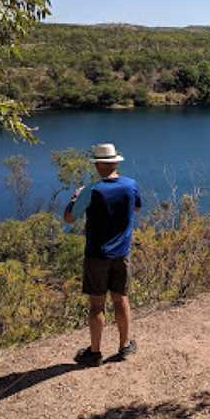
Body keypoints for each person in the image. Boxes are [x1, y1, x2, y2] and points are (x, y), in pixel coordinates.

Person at [64, 143, 141, 366]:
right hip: (121, 254)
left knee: (97, 305)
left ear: (97, 165)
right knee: (121, 299)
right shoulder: (130, 185)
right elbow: (135, 208)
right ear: (116, 162)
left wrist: (75, 197)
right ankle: (125, 346)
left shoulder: (91, 190)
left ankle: (95, 353)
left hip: (97, 256)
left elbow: (69, 219)